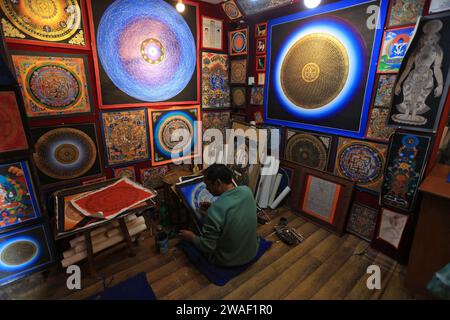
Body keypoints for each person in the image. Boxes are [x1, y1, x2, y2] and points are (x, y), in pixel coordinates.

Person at [178, 164, 259, 267]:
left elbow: (207, 246)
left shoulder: (216, 209)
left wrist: (192, 237)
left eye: (208, 185)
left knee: (194, 233)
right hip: (252, 252)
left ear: (218, 183)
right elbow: (233, 211)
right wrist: (213, 208)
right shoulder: (246, 191)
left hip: (228, 260)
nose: (207, 189)